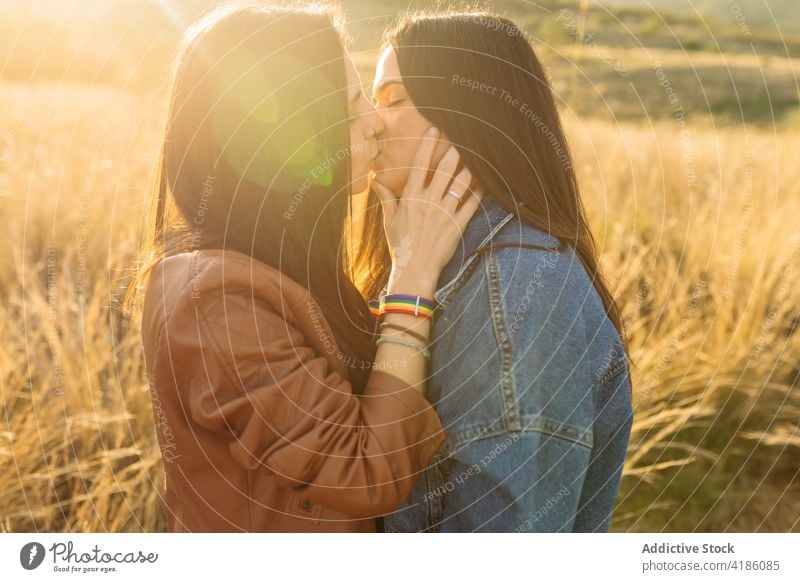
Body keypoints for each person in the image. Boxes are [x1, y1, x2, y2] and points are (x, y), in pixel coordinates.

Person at [127, 1, 482, 532]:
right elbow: (364, 473)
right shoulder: (216, 303)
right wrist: (412, 275)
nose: (372, 122)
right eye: (348, 104)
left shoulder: (276, 272)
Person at [368, 9, 635, 532]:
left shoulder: (516, 287)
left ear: (467, 113)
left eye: (394, 99)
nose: (374, 121)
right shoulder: (445, 263)